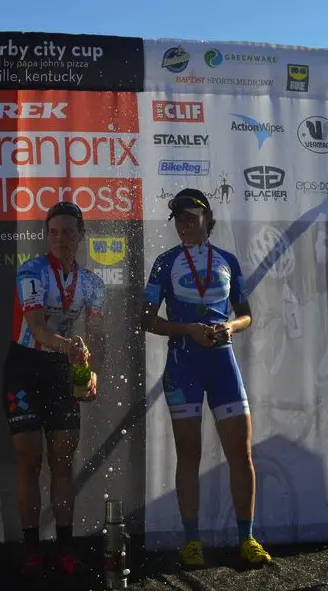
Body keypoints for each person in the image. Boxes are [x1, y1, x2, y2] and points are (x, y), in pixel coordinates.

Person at [141, 188, 271, 567]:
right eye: (179, 219)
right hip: (183, 366)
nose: (184, 224)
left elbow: (247, 314)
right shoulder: (164, 263)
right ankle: (192, 540)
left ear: (207, 219)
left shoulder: (228, 260)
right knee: (189, 455)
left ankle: (246, 538)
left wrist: (229, 327)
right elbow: (146, 319)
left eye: (191, 217)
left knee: (240, 453)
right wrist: (187, 329)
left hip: (221, 363)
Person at [3, 201, 106, 578]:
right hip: (26, 367)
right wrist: (71, 348)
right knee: (29, 458)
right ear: (48, 236)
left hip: (64, 370)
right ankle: (32, 549)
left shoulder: (93, 284)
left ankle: (65, 547)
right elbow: (39, 328)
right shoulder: (32, 271)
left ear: (81, 234)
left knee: (63, 461)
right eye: (54, 233)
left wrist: (90, 371)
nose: (61, 239)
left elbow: (97, 339)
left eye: (68, 232)